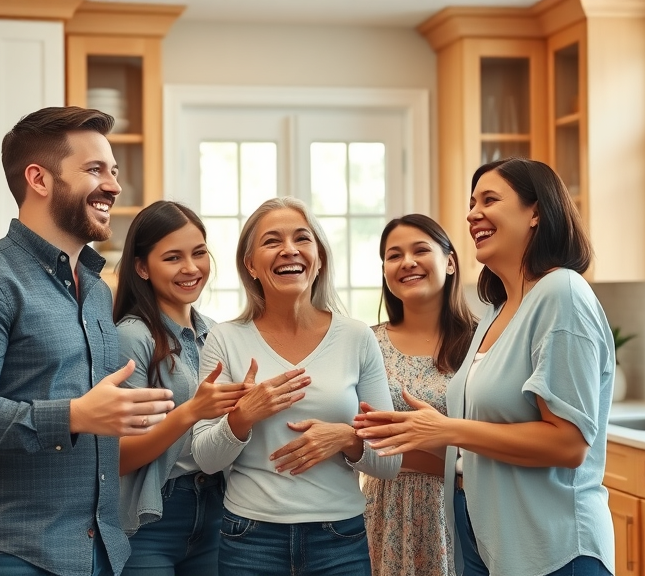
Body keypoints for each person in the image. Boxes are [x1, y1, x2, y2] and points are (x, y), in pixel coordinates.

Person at [0, 106, 175, 576]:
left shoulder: (97, 291)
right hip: (14, 554)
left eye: (114, 171)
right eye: (94, 169)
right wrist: (75, 415)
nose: (114, 186)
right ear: (39, 179)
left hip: (97, 551)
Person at [356, 158, 616, 576]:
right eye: (471, 202)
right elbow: (478, 448)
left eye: (489, 200)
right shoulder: (496, 313)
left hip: (553, 548)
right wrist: (412, 433)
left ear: (536, 212)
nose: (472, 213)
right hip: (488, 543)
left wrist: (447, 429)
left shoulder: (562, 292)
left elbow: (568, 445)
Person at [192, 197, 402, 576]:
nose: (289, 249)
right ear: (251, 264)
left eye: (302, 238)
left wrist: (347, 438)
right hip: (249, 539)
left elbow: (389, 462)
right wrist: (243, 416)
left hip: (340, 538)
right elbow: (205, 458)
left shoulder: (356, 337)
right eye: (272, 241)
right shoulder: (224, 340)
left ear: (319, 257)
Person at [112, 200, 251, 576]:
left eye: (199, 253)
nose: (191, 268)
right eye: (173, 258)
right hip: (153, 516)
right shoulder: (132, 337)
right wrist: (190, 412)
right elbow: (120, 457)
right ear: (142, 267)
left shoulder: (215, 333)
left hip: (219, 507)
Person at [362, 214, 476, 576]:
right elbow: (360, 437)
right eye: (394, 255)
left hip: (464, 506)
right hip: (385, 509)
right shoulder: (367, 342)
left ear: (451, 261)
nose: (407, 262)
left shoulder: (482, 342)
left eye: (420, 250)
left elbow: (492, 444)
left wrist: (407, 448)